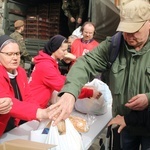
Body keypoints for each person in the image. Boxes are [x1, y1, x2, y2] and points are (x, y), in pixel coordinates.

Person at [48, 1, 150, 150]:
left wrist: (148, 97)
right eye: (125, 30)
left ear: (148, 23)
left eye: (134, 30)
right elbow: (85, 64)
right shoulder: (114, 45)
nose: (128, 36)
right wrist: (70, 92)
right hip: (122, 125)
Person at [0, 35, 53, 136]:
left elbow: (28, 97)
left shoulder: (20, 72)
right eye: (9, 54)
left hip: (15, 126)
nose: (15, 58)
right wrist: (39, 113)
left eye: (17, 53)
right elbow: (10, 103)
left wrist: (39, 111)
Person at [28, 34, 101, 108]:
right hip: (34, 106)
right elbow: (65, 88)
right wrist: (89, 93)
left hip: (38, 104)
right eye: (63, 50)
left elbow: (60, 78)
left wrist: (79, 84)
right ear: (54, 49)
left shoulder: (49, 62)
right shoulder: (46, 66)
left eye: (66, 50)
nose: (66, 53)